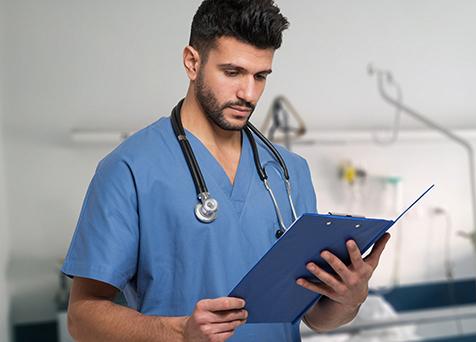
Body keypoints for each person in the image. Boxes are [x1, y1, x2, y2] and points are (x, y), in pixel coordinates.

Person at [62, 0, 390, 341]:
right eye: (232, 72)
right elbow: (82, 317)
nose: (248, 94)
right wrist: (180, 333)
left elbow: (317, 317)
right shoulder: (130, 169)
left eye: (260, 76)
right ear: (192, 62)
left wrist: (349, 301)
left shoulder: (289, 172)